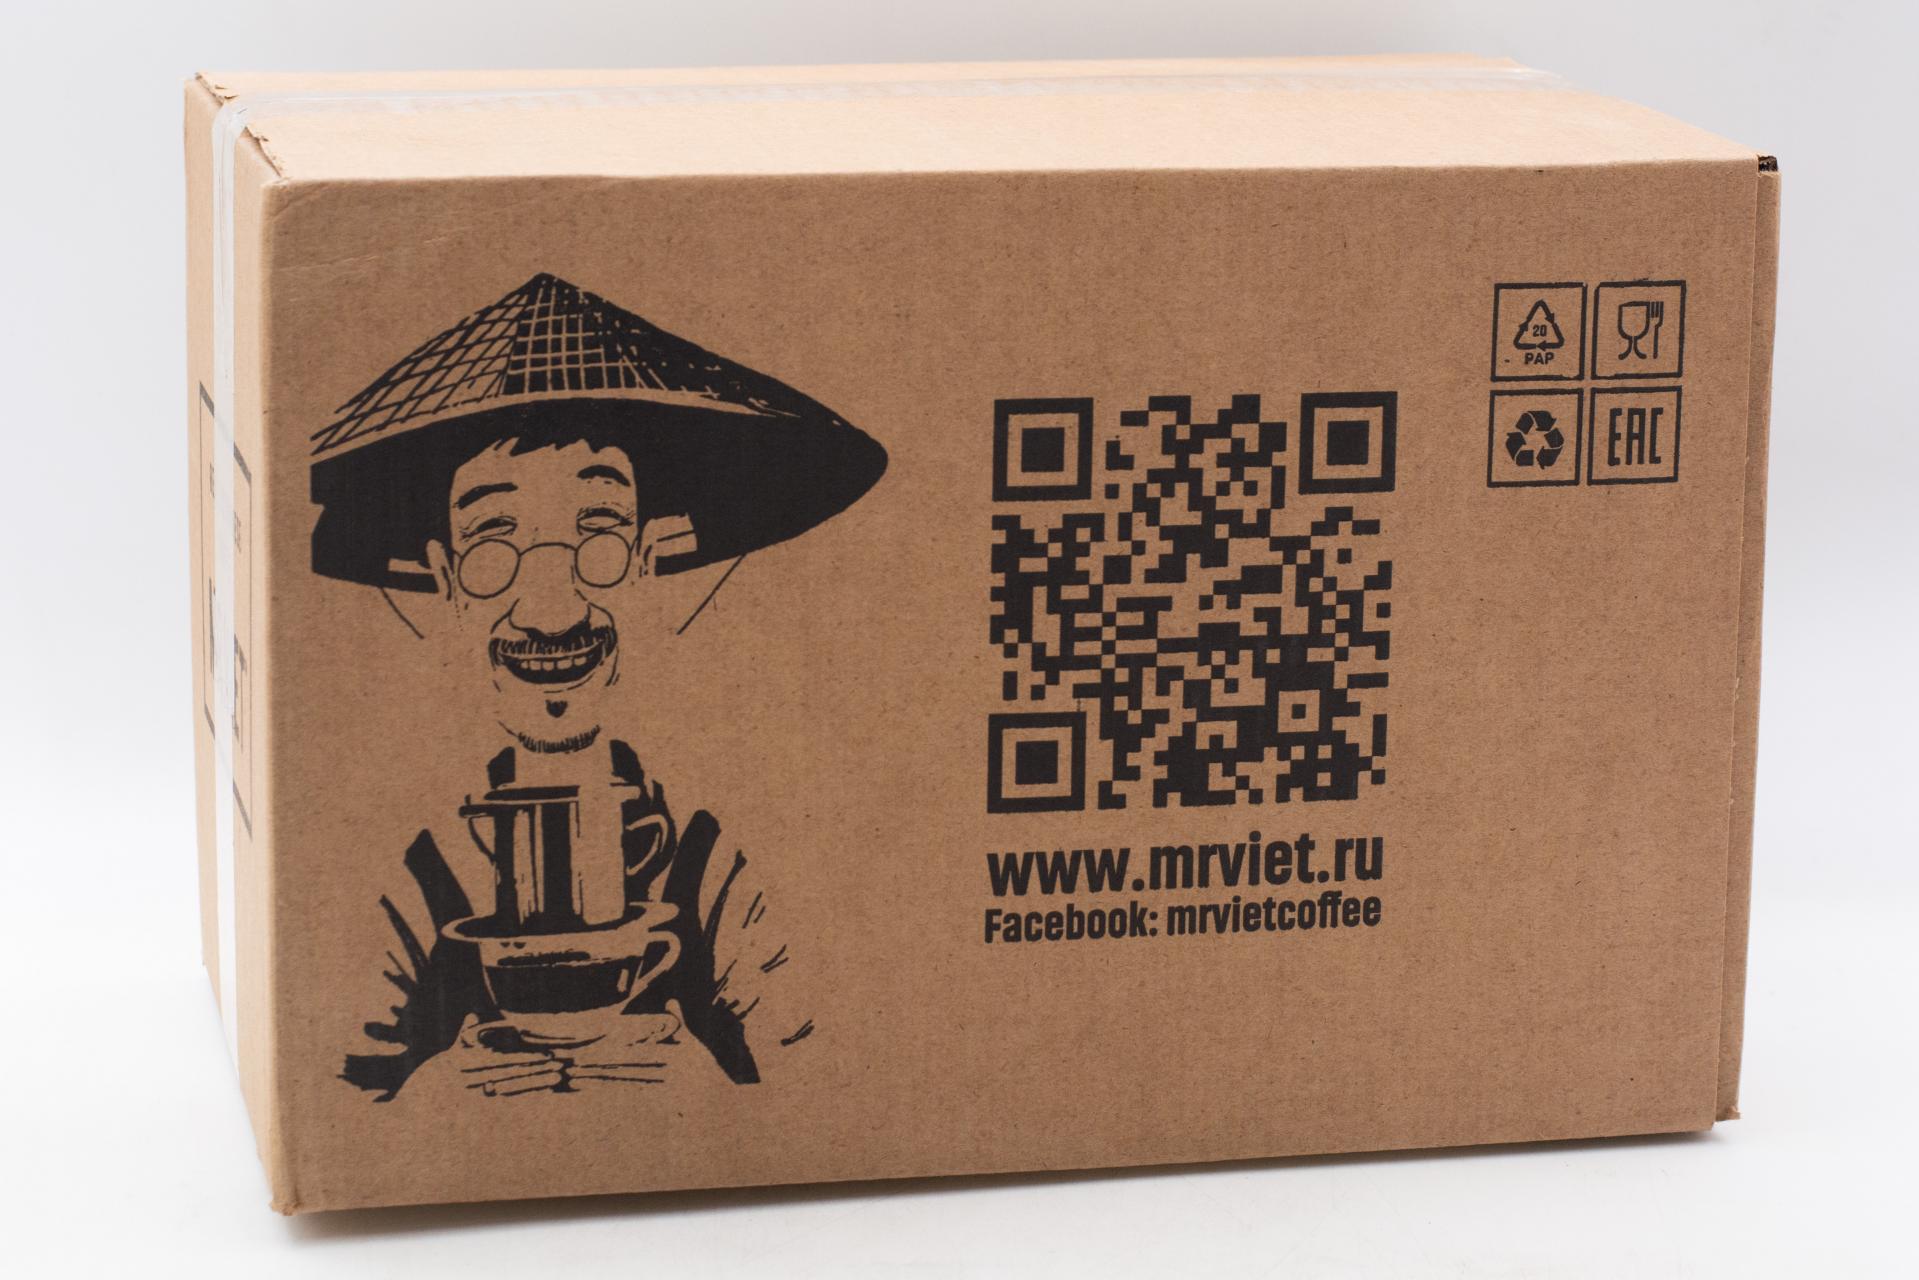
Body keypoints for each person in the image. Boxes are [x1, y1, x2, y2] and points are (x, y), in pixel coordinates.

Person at [306, 274, 886, 1099]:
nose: (552, 609)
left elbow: (816, 1087)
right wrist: (441, 1099)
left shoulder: (702, 864)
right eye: (495, 542)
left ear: (647, 566)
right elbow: (340, 1099)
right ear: (446, 581)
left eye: (598, 535)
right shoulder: (424, 870)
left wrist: (699, 1087)